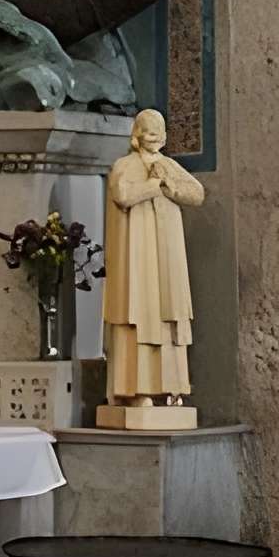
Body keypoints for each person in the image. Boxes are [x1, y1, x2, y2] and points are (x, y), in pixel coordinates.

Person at [102, 108, 205, 409]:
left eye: (159, 131)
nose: (155, 136)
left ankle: (172, 388)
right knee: (138, 314)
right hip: (137, 256)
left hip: (166, 254)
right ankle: (137, 390)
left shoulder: (168, 165)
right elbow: (123, 194)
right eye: (149, 130)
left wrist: (170, 185)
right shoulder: (124, 166)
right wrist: (154, 185)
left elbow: (196, 193)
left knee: (168, 316)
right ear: (136, 134)